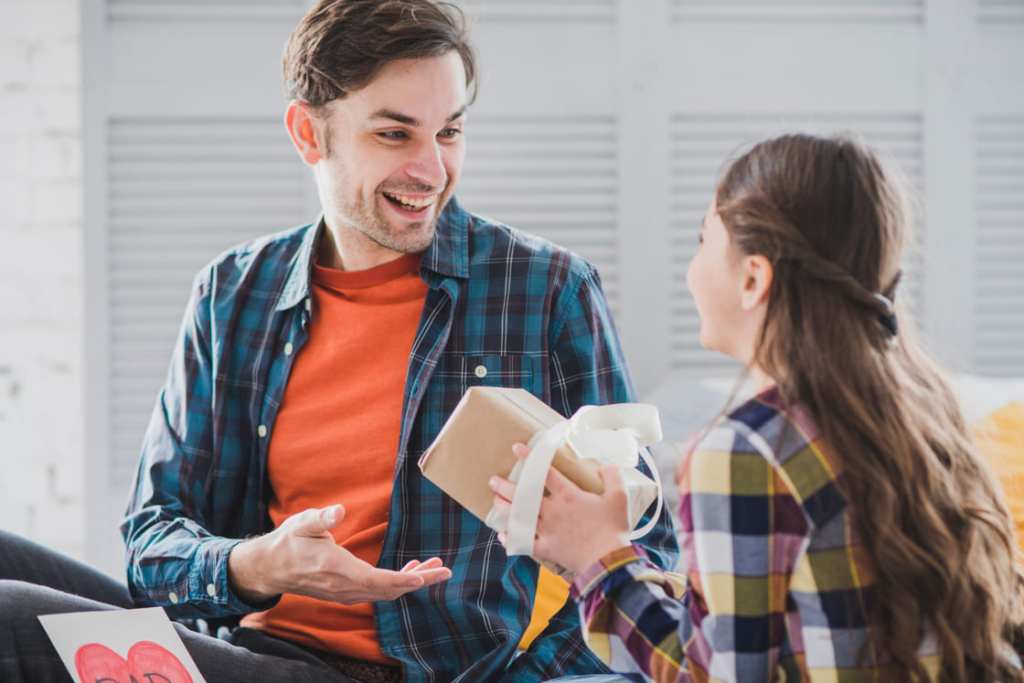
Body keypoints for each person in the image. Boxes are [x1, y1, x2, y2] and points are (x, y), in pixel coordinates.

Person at [0, 1, 678, 681]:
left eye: (449, 132)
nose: (432, 169)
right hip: (241, 650)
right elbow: (152, 542)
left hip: (402, 672)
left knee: (9, 619)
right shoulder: (234, 293)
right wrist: (260, 563)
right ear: (307, 133)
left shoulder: (545, 290)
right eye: (393, 134)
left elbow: (645, 549)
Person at [491, 134, 1024, 681]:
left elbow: (713, 674)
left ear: (753, 278)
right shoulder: (926, 410)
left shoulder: (745, 447)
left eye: (703, 242)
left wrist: (597, 558)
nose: (690, 271)